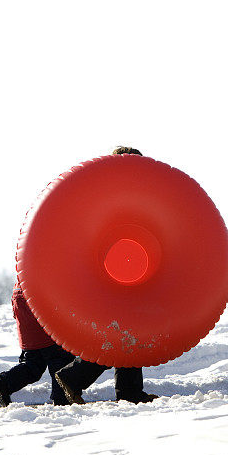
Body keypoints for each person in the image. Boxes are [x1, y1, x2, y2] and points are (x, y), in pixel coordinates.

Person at [54, 146, 158, 405]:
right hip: (116, 274)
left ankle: (127, 391)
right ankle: (77, 376)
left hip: (128, 271)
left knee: (127, 335)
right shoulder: (120, 196)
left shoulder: (117, 193)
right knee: (125, 335)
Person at [0, 287, 77, 406]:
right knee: (60, 360)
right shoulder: (46, 273)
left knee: (33, 365)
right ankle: (62, 400)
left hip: (27, 324)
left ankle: (5, 382)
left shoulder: (23, 274)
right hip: (45, 322)